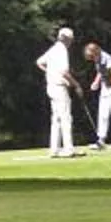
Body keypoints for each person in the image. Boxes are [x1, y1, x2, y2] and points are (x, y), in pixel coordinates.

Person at [36, 25, 79, 157]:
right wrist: (76, 85)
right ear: (67, 39)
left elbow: (39, 62)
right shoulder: (62, 50)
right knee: (65, 118)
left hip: (51, 86)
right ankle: (68, 149)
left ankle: (54, 149)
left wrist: (50, 72)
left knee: (56, 119)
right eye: (71, 39)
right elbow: (65, 72)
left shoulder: (53, 49)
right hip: (59, 87)